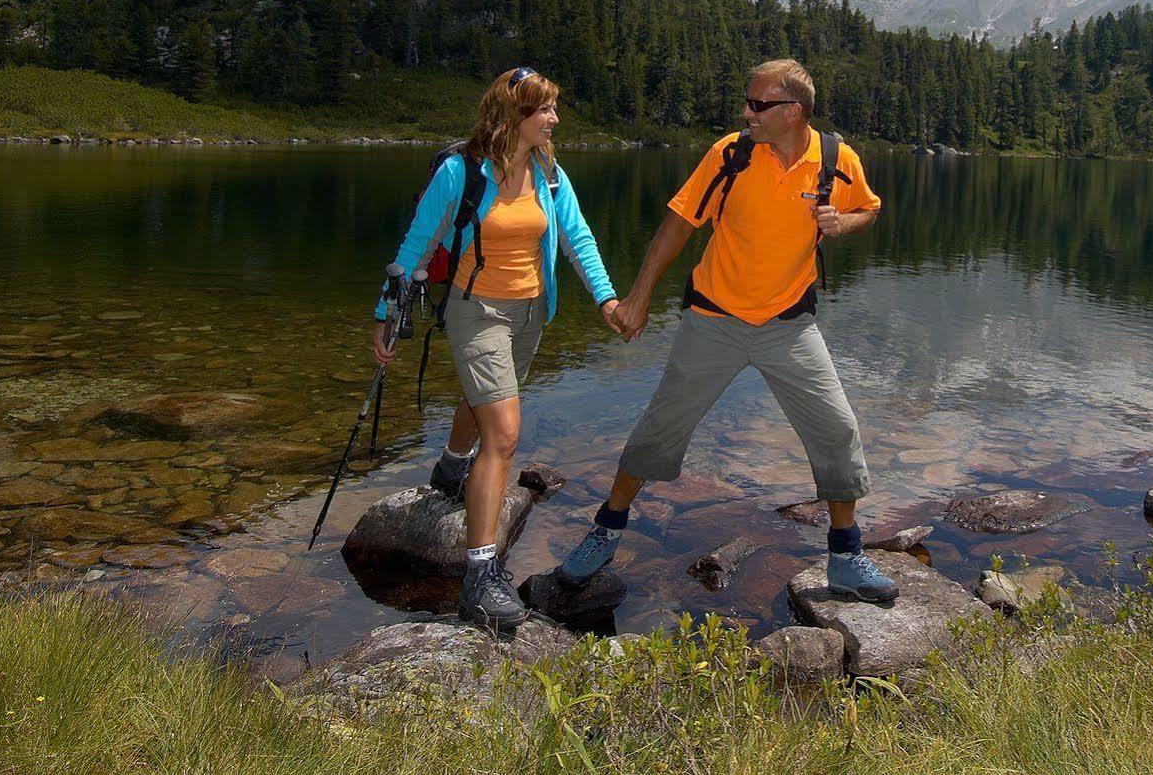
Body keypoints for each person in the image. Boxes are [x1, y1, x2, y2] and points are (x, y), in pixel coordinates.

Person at [554, 58, 898, 603]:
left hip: (789, 325)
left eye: (759, 104)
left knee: (836, 430)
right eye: (748, 101)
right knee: (659, 428)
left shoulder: (836, 159)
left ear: (795, 112)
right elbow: (679, 223)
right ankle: (605, 529)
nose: (748, 112)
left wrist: (843, 221)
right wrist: (639, 298)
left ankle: (846, 556)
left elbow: (870, 209)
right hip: (713, 319)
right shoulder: (731, 154)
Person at [371, 66, 618, 632]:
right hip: (474, 311)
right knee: (504, 432)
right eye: (545, 110)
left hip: (531, 313)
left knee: (483, 402)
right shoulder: (461, 173)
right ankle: (479, 580)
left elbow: (577, 237)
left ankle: (451, 468)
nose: (555, 119)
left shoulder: (549, 173)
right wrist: (385, 315)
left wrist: (606, 300)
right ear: (515, 116)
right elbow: (416, 244)